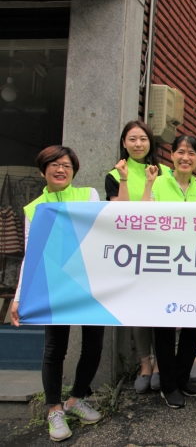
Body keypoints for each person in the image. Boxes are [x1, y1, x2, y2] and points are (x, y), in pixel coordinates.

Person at [11, 146, 103, 442]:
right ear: (43, 171)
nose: (60, 169)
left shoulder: (88, 195)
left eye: (66, 165)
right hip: (54, 285)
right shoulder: (34, 208)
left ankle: (75, 400)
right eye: (53, 165)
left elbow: (99, 234)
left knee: (93, 344)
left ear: (74, 170)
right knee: (55, 348)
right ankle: (54, 409)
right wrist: (18, 296)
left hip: (88, 283)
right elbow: (30, 254)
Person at [142, 135, 196, 408]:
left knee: (194, 323)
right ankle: (167, 384)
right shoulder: (159, 181)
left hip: (193, 263)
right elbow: (145, 215)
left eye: (192, 153)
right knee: (165, 326)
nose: (186, 157)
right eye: (181, 152)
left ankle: (182, 378)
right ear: (171, 154)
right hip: (165, 263)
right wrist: (147, 183)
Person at [106, 120, 169, 395]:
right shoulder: (114, 174)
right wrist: (124, 178)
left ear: (151, 142)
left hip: (163, 249)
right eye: (132, 139)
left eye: (143, 139)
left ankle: (160, 364)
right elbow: (118, 212)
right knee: (138, 310)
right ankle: (145, 363)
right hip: (130, 251)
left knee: (163, 308)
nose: (138, 144)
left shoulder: (165, 171)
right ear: (123, 143)